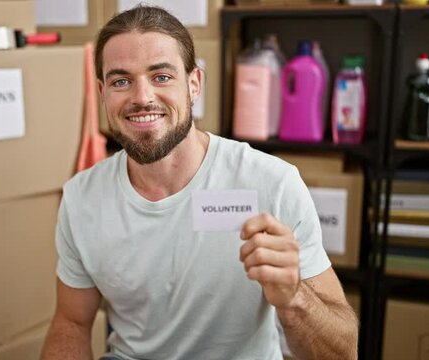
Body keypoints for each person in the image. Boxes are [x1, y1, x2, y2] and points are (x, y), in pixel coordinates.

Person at [41, 5, 358, 360]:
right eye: (121, 81)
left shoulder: (272, 183)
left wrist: (294, 296)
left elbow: (343, 353)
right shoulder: (82, 198)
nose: (142, 97)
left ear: (194, 85)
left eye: (161, 77)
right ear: (102, 93)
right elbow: (71, 322)